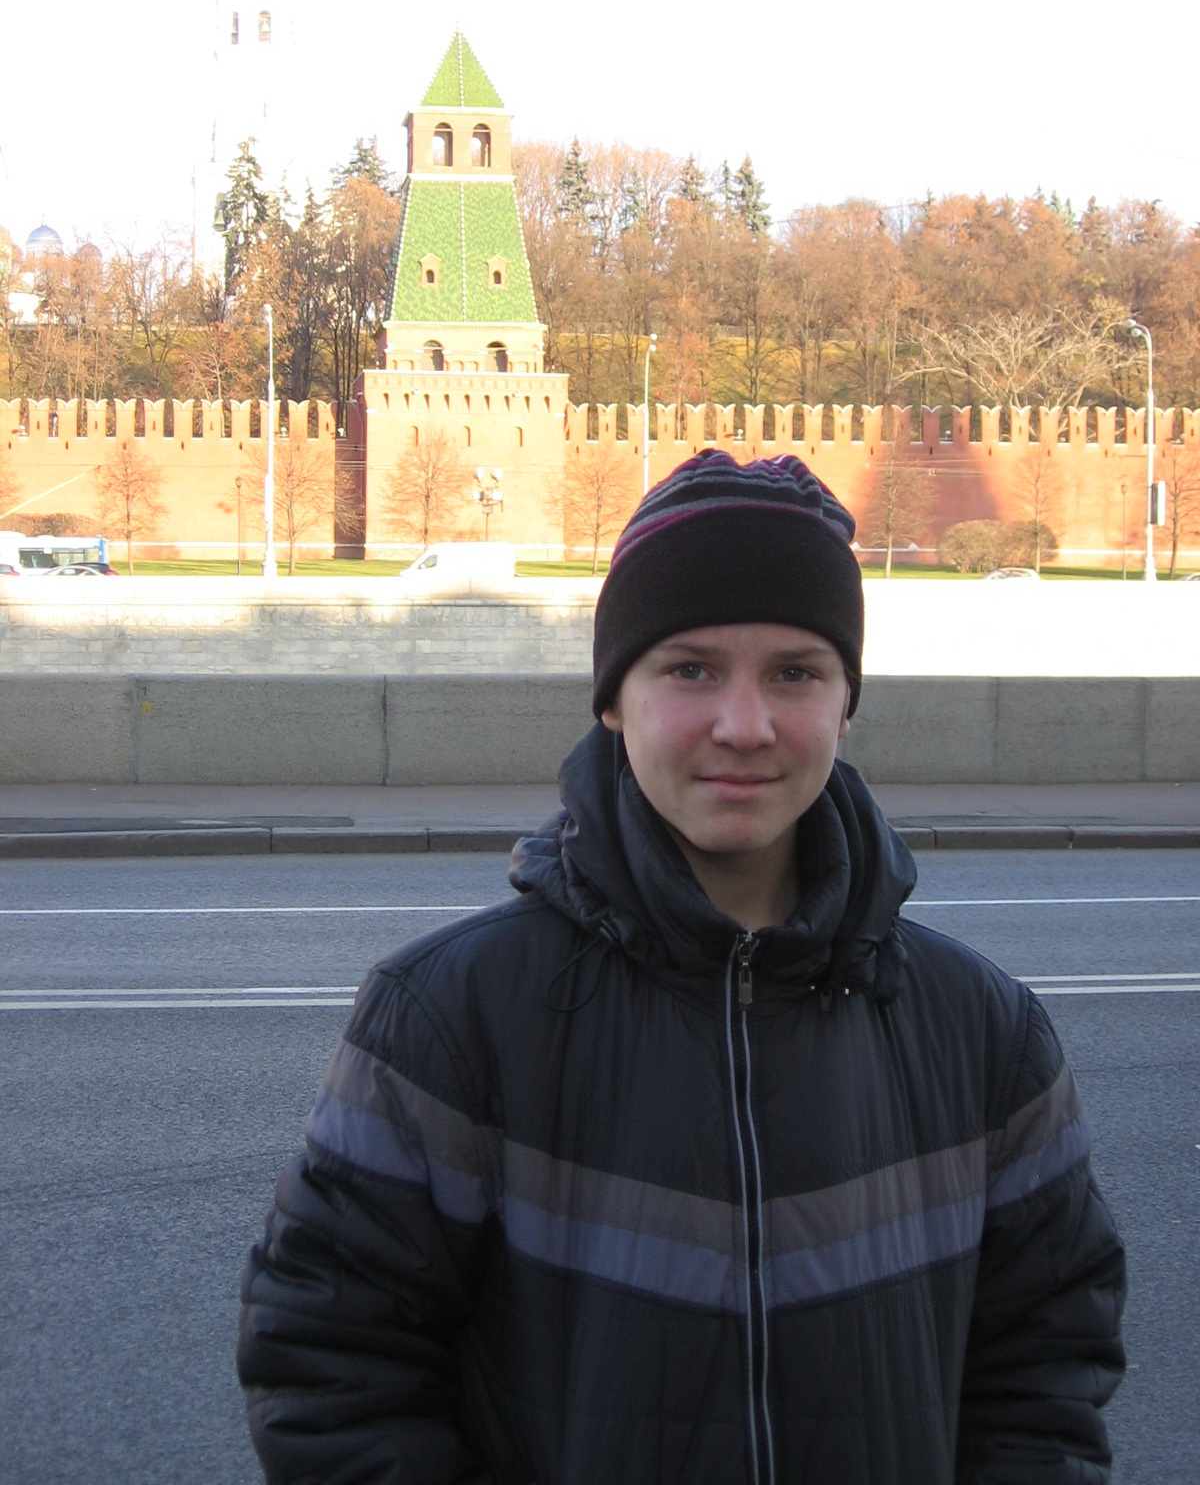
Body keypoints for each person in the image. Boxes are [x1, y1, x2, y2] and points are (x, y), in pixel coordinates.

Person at [238, 450, 1126, 1485]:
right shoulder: (447, 1018)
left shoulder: (985, 1032)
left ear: (846, 704)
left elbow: (1047, 1370)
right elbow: (332, 1371)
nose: (744, 727)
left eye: (796, 672)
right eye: (690, 669)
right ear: (613, 700)